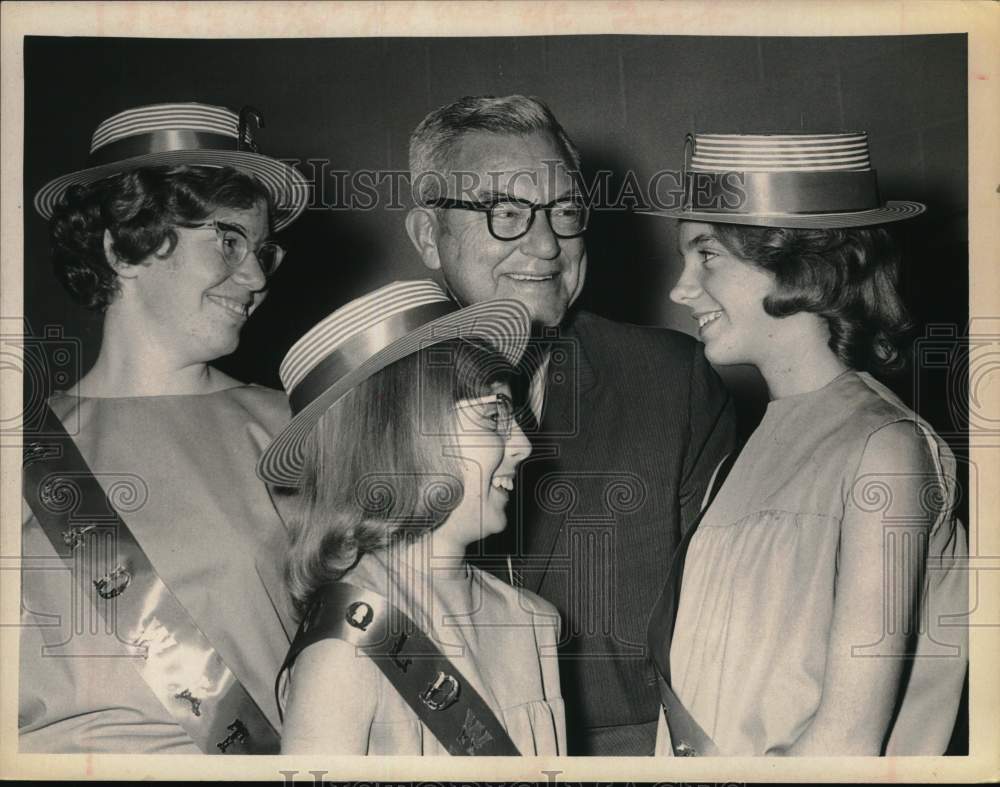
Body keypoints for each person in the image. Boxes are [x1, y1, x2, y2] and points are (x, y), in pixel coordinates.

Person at [403, 95, 737, 755]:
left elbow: (732, 642)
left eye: (565, 210)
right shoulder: (371, 408)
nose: (548, 243)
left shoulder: (673, 382)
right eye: (506, 213)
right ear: (426, 237)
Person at [643, 131, 968, 755]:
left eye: (706, 254)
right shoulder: (736, 459)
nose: (680, 289)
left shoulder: (885, 449)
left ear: (802, 265)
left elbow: (845, 744)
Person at [20, 102, 309, 753]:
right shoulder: (21, 446)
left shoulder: (295, 428)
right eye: (229, 241)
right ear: (126, 245)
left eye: (264, 250)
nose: (258, 277)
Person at [259, 280, 566, 756]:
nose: (525, 446)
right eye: (493, 416)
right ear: (401, 435)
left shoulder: (531, 619)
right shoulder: (347, 645)